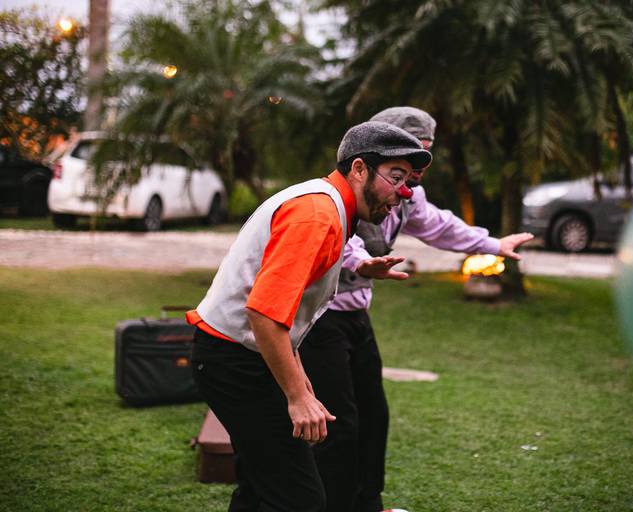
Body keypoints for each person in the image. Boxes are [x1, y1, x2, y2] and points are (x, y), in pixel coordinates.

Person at [186, 121, 432, 512]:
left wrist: (300, 381)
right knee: (298, 499)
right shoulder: (317, 215)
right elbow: (264, 314)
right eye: (396, 177)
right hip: (234, 362)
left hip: (240, 356)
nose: (404, 193)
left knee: (262, 489)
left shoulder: (331, 209)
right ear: (359, 169)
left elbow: (285, 314)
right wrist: (298, 396)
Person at [299, 106, 534, 512]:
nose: (419, 166)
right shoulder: (348, 191)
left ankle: (368, 504)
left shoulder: (409, 195)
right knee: (340, 424)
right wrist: (361, 263)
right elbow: (341, 234)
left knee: (374, 416)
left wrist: (493, 244)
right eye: (411, 152)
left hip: (356, 316)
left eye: (426, 153)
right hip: (320, 320)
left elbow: (441, 226)